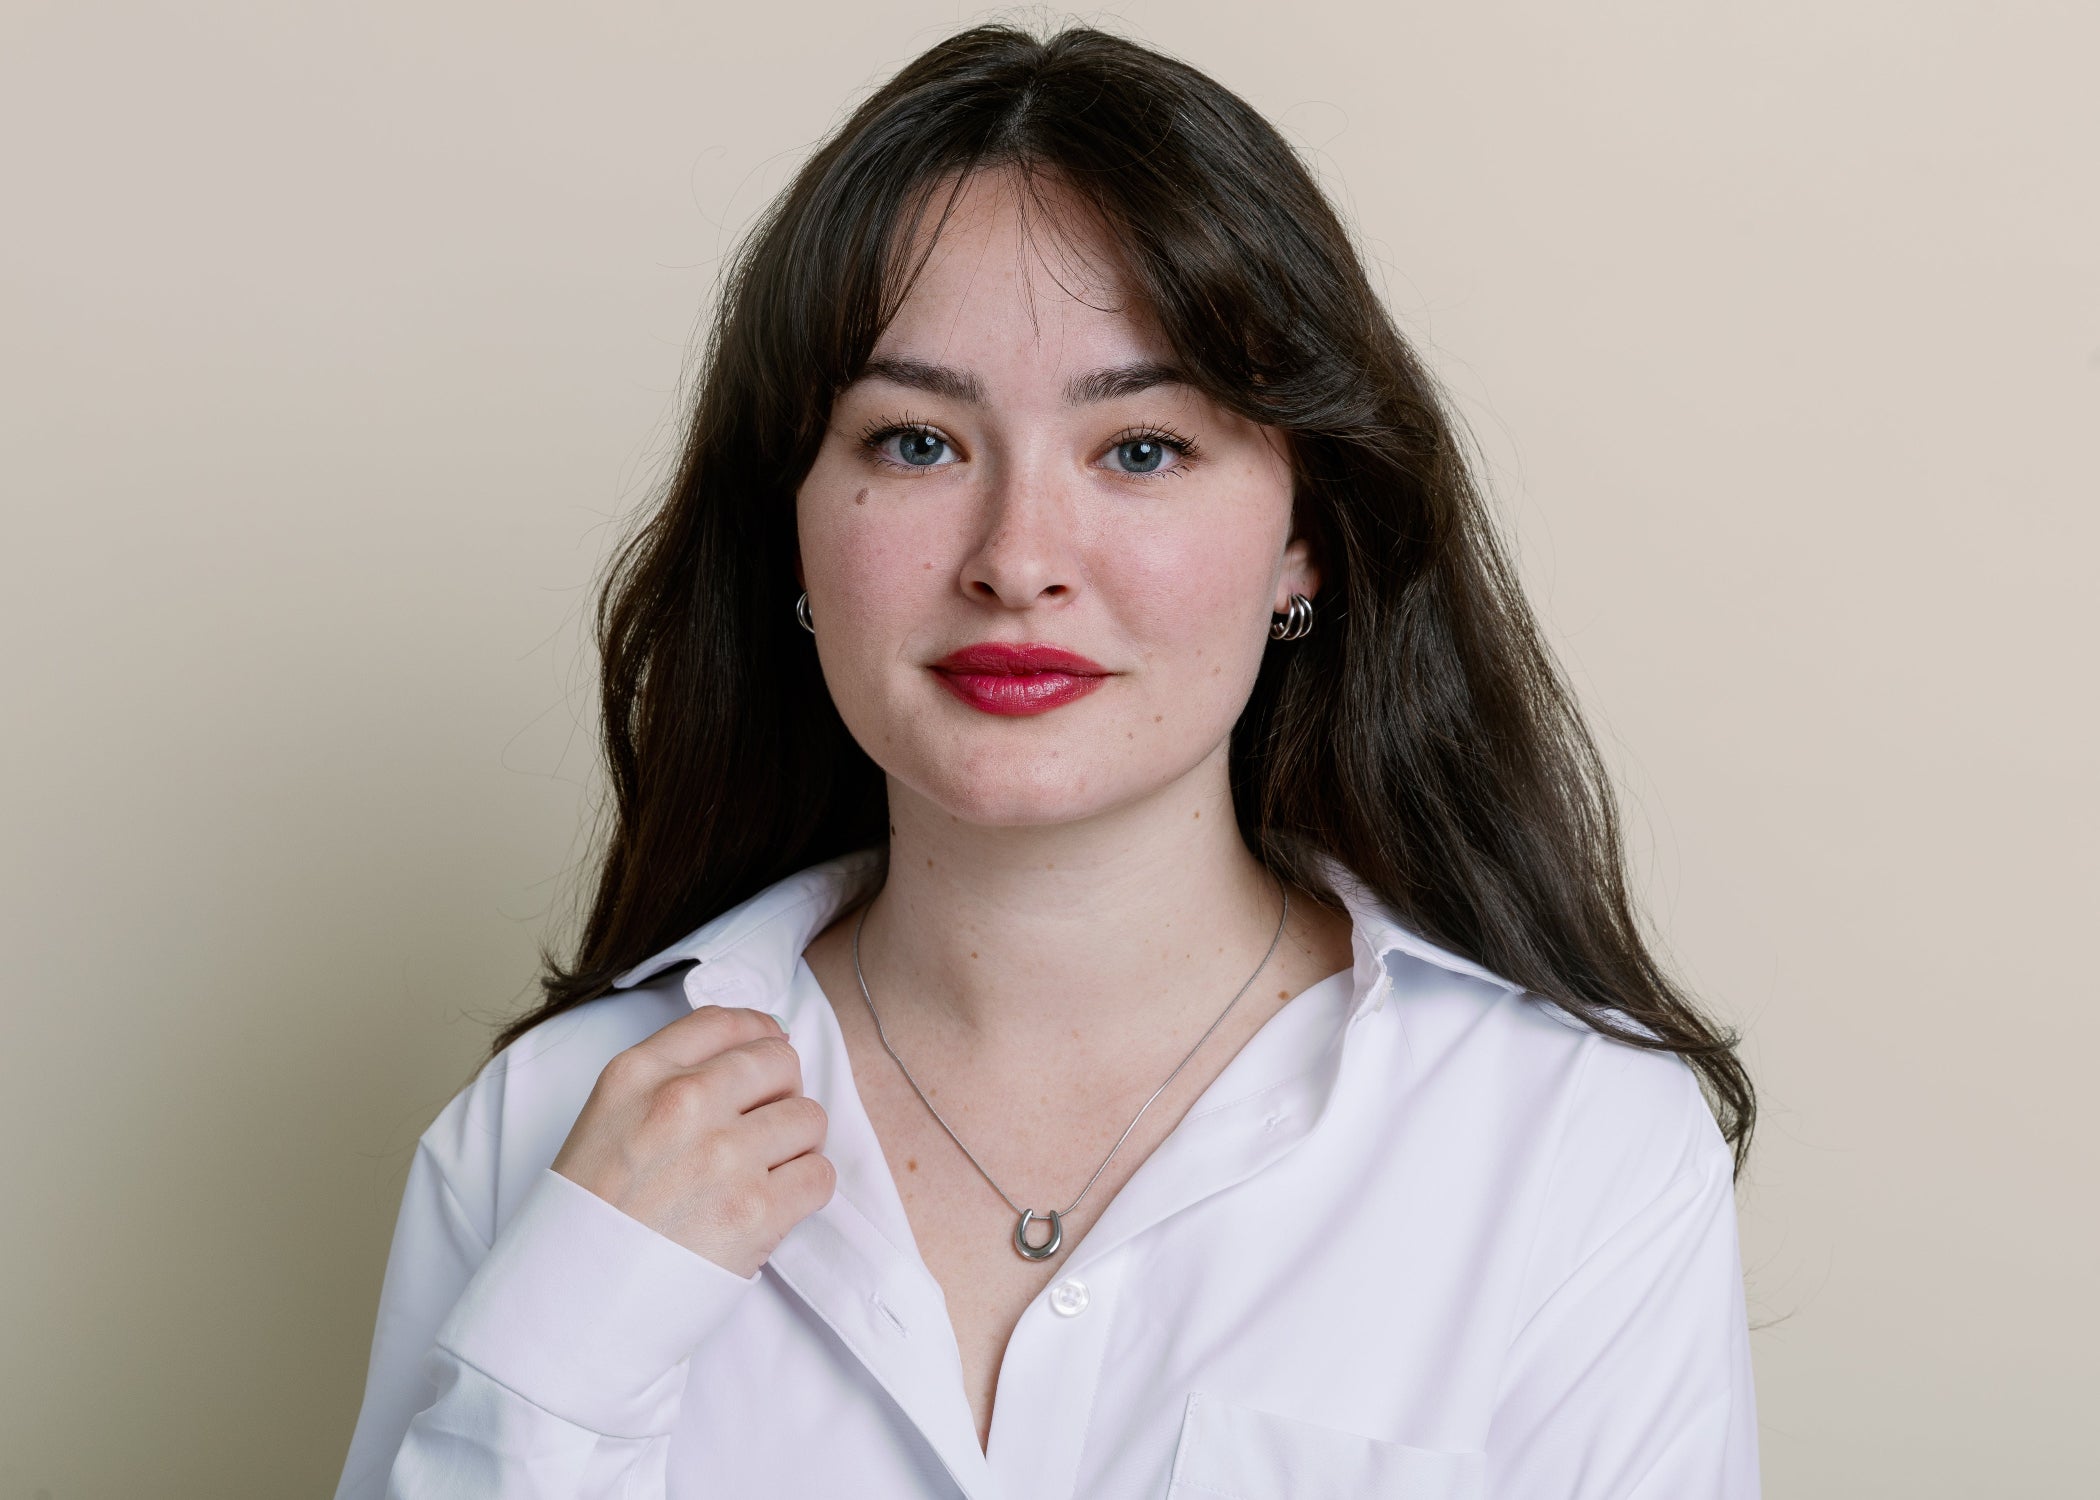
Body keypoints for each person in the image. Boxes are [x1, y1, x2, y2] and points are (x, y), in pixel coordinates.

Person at [332, 23, 1759, 1500]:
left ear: (1308, 541)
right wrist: (555, 1378)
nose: (1017, 561)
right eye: (916, 443)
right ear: (795, 532)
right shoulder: (551, 1133)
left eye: (1139, 449)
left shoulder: (1568, 1145)